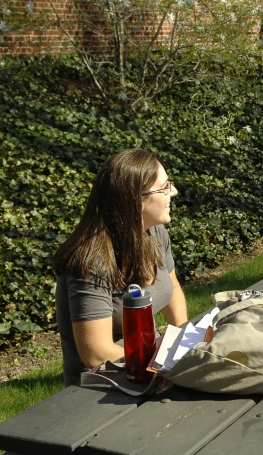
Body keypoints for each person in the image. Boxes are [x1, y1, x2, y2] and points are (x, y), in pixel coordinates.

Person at [54, 149, 188, 386]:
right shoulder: (90, 261)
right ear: (136, 199)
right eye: (165, 187)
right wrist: (166, 368)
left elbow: (173, 288)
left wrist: (185, 342)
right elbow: (96, 353)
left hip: (150, 371)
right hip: (103, 387)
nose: (174, 192)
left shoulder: (155, 233)